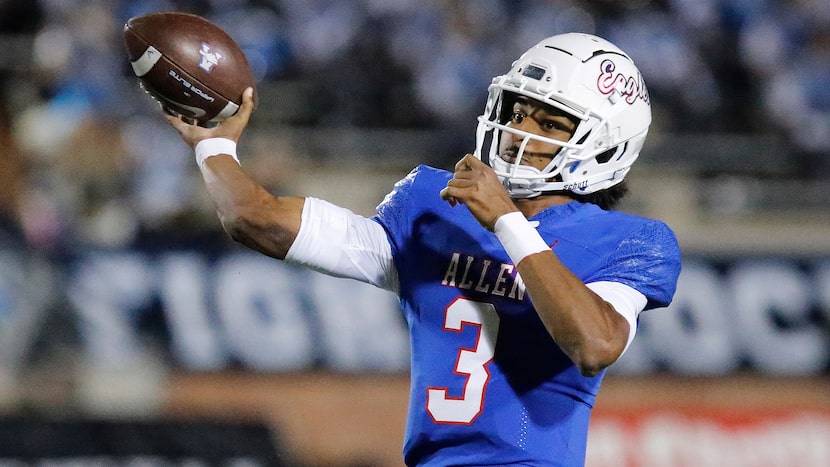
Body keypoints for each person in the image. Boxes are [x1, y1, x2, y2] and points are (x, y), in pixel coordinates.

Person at [165, 32, 681, 467]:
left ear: (606, 146)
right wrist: (213, 145)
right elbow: (254, 220)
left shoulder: (633, 242)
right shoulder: (432, 204)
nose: (518, 131)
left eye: (548, 124)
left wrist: (506, 221)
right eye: (518, 111)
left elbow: (594, 344)